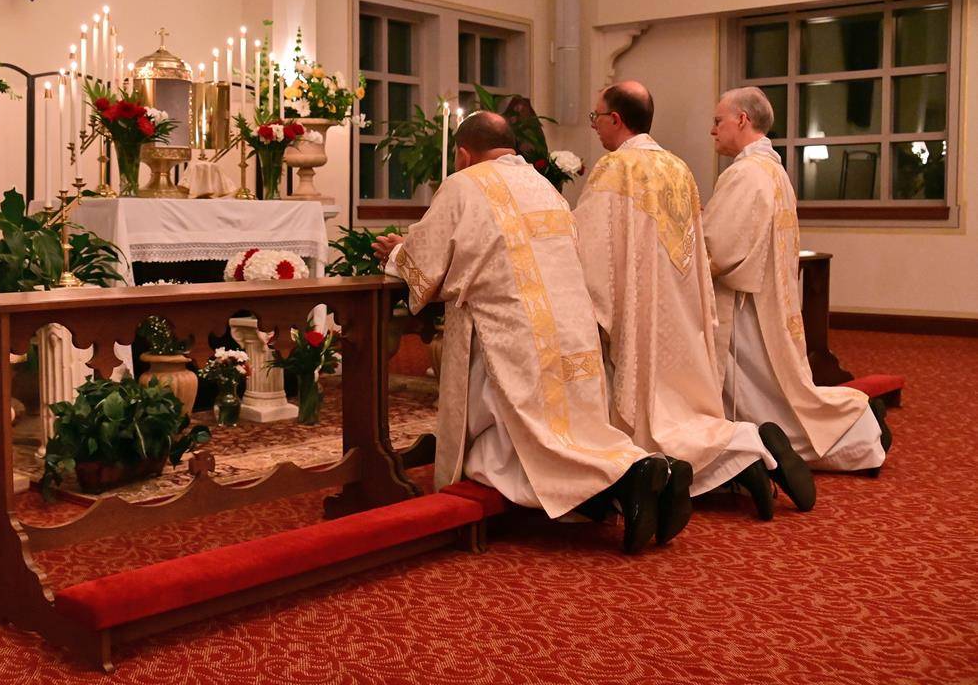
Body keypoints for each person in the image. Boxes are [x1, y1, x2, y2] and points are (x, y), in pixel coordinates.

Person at [372, 110, 692, 553]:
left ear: (463, 154)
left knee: (504, 450)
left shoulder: (463, 185)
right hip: (572, 330)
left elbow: (428, 264)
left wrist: (397, 253)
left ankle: (631, 476)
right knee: (574, 426)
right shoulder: (544, 187)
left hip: (513, 335)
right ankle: (640, 473)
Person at [574, 81, 815, 518]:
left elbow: (591, 245)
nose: (593, 126)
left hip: (641, 310)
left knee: (652, 421)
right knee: (680, 403)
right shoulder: (678, 168)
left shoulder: (615, 169)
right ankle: (749, 450)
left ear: (615, 120)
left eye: (596, 117)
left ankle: (744, 450)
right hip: (679, 309)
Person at [703, 87, 890, 476]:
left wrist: (683, 245)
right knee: (784, 388)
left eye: (718, 120)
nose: (712, 130)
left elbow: (718, 249)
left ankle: (851, 430)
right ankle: (854, 422)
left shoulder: (746, 174)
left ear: (742, 119)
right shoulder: (773, 169)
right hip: (769, 297)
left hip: (746, 304)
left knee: (766, 398)